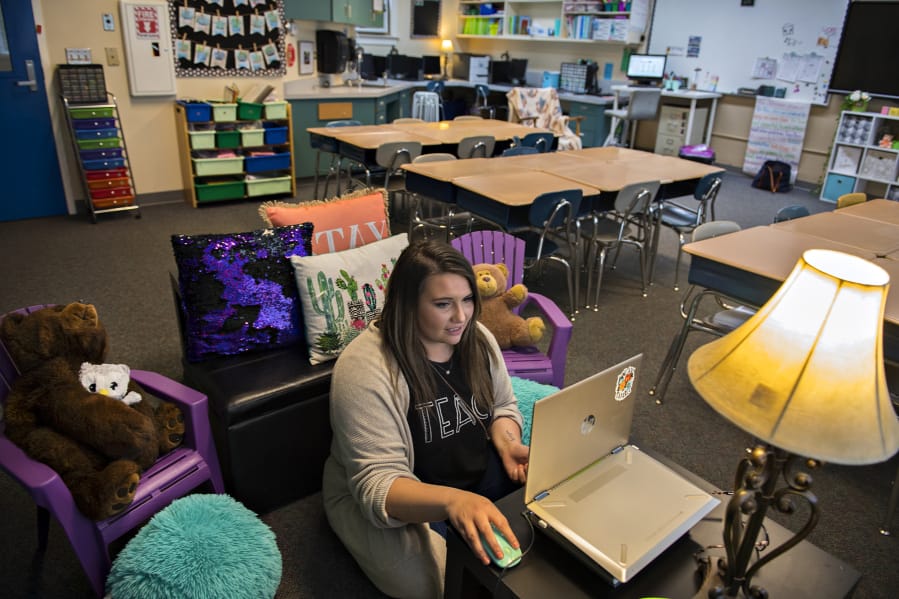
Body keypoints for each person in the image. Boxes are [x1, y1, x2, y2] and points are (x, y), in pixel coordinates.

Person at [322, 240, 530, 598]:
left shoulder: (476, 338)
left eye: (467, 300)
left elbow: (503, 407)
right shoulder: (364, 369)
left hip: (469, 475)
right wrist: (453, 502)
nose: (461, 317)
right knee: (440, 585)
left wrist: (508, 442)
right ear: (407, 304)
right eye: (443, 304)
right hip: (405, 499)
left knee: (543, 521)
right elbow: (378, 484)